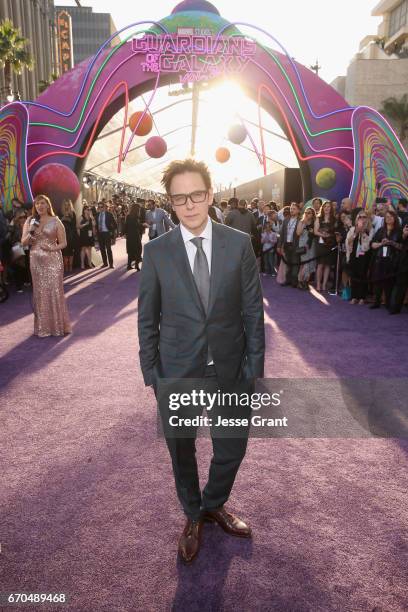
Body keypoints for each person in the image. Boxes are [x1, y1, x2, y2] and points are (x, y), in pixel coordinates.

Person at [138, 158, 265, 565]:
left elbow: (251, 311)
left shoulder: (237, 243)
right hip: (176, 369)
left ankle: (214, 503)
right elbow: (147, 317)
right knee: (182, 449)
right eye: (179, 198)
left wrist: (254, 367)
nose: (189, 204)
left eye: (196, 195)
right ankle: (193, 514)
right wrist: (152, 373)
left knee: (231, 447)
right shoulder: (156, 252)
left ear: (210, 194)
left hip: (229, 367)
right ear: (170, 203)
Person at [21, 194, 71, 337]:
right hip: (35, 261)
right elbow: (23, 242)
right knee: (40, 292)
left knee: (54, 290)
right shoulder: (30, 220)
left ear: (48, 205)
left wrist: (52, 248)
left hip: (53, 260)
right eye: (37, 204)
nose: (40, 206)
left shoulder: (56, 221)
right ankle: (43, 327)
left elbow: (64, 243)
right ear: (35, 207)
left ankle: (58, 326)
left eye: (42, 203)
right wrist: (30, 235)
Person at [370, 208, 401, 310]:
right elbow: (373, 245)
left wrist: (391, 243)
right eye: (386, 217)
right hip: (379, 259)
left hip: (392, 261)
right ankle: (376, 302)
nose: (388, 218)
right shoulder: (380, 230)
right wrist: (381, 243)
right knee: (377, 282)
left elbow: (402, 247)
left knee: (389, 283)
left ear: (395, 218)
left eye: (391, 216)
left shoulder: (399, 231)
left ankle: (388, 303)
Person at [345, 211, 373, 304]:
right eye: (360, 217)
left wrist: (363, 233)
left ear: (367, 219)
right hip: (354, 254)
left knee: (363, 275)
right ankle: (354, 296)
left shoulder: (370, 229)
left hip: (364, 256)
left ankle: (362, 297)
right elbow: (348, 242)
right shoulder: (352, 229)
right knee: (354, 275)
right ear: (357, 219)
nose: (362, 218)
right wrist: (356, 232)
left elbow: (368, 245)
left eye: (364, 217)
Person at [314, 201, 336, 292]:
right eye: (325, 206)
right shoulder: (318, 218)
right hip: (320, 244)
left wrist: (330, 236)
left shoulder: (334, 219)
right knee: (320, 265)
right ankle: (318, 284)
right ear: (322, 208)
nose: (327, 208)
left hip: (330, 245)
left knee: (328, 265)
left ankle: (324, 285)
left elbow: (335, 232)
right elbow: (315, 231)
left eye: (329, 207)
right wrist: (324, 235)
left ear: (331, 208)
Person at [278, 202, 301, 287]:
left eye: (294, 209)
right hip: (286, 244)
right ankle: (287, 280)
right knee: (287, 263)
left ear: (298, 210)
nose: (292, 210)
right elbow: (282, 234)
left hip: (296, 245)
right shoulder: (286, 220)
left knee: (295, 263)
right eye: (291, 208)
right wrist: (279, 246)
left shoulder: (300, 220)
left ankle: (294, 281)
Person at [296, 207, 316, 289]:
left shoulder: (315, 222)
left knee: (311, 263)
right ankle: (300, 281)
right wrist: (304, 223)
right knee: (304, 264)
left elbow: (316, 233)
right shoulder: (301, 221)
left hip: (312, 245)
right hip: (303, 245)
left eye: (310, 212)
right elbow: (298, 233)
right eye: (306, 212)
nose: (307, 214)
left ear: (313, 214)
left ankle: (306, 281)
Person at [95, 201, 117, 268]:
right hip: (100, 234)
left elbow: (115, 224)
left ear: (104, 207)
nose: (100, 208)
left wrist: (112, 232)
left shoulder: (109, 214)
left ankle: (111, 264)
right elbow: (96, 224)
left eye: (102, 207)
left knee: (108, 249)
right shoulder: (97, 215)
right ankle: (105, 263)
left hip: (107, 233)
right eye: (99, 207)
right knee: (102, 249)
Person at [60, 199, 78, 274]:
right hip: (63, 234)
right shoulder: (61, 213)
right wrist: (62, 219)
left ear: (70, 205)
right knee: (64, 251)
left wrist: (69, 219)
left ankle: (70, 266)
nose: (67, 206)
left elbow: (74, 225)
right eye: (65, 205)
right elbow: (57, 223)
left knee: (71, 251)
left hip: (71, 235)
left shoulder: (73, 213)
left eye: (68, 205)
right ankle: (66, 266)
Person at [124, 204, 142, 271]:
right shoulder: (136, 217)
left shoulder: (128, 216)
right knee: (138, 250)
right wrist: (143, 225)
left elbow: (126, 225)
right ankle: (136, 266)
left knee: (130, 251)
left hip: (129, 236)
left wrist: (124, 233)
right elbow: (137, 225)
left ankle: (129, 265)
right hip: (135, 236)